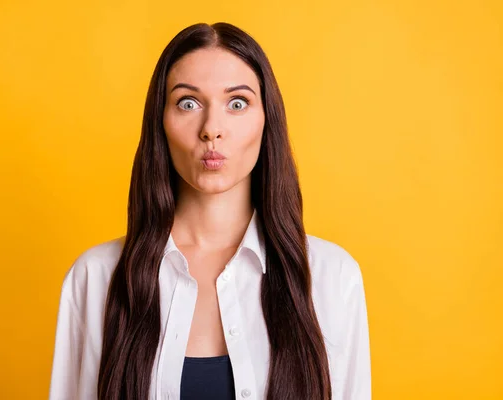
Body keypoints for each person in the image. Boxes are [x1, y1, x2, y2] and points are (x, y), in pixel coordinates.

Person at [48, 22, 371, 400]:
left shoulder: (332, 278)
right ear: (160, 122)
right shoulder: (95, 278)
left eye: (237, 103)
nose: (211, 129)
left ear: (267, 121)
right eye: (188, 103)